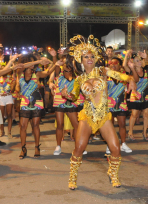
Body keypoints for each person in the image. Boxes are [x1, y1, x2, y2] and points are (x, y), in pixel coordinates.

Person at [61, 35, 135, 190]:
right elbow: (74, 97)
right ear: (80, 59)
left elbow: (118, 75)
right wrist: (67, 95)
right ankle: (72, 177)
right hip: (87, 115)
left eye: (92, 56)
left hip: (103, 116)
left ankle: (113, 174)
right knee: (79, 147)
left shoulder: (103, 71)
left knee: (115, 147)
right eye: (86, 56)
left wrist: (129, 78)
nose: (89, 58)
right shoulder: (79, 79)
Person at [15, 54, 62, 159]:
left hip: (37, 101)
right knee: (23, 126)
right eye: (30, 62)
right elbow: (23, 65)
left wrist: (53, 62)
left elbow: (48, 72)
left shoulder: (37, 74)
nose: (32, 65)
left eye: (33, 62)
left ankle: (37, 147)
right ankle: (23, 148)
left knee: (36, 125)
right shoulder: (19, 72)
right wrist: (38, 61)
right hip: (24, 101)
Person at [52, 54, 79, 155]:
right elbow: (56, 69)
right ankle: (58, 146)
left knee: (76, 124)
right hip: (59, 102)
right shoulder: (59, 77)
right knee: (60, 125)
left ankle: (78, 147)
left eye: (69, 70)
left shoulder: (76, 78)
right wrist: (57, 62)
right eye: (65, 70)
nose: (67, 72)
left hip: (71, 101)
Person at [105, 56, 132, 154]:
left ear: (120, 66)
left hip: (121, 103)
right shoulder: (106, 76)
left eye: (115, 63)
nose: (112, 65)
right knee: (110, 126)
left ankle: (123, 144)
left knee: (122, 125)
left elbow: (133, 79)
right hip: (109, 104)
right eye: (111, 63)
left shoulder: (124, 76)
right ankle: (109, 145)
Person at [124, 50, 148, 141]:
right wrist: (127, 55)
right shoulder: (131, 70)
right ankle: (130, 132)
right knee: (134, 115)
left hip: (146, 95)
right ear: (133, 63)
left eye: (140, 60)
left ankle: (144, 132)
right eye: (137, 61)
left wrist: (146, 57)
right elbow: (124, 65)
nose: (139, 62)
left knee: (146, 115)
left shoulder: (146, 69)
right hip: (135, 96)